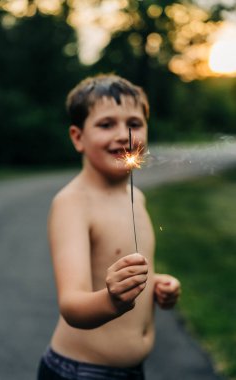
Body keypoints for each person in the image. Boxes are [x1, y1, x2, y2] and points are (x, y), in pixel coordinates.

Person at [37, 74, 181, 380]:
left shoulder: (136, 197)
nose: (123, 135)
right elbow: (72, 306)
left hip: (132, 371)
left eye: (134, 123)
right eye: (106, 124)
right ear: (78, 137)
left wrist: (155, 283)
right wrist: (112, 299)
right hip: (82, 372)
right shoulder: (73, 203)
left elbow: (120, 263)